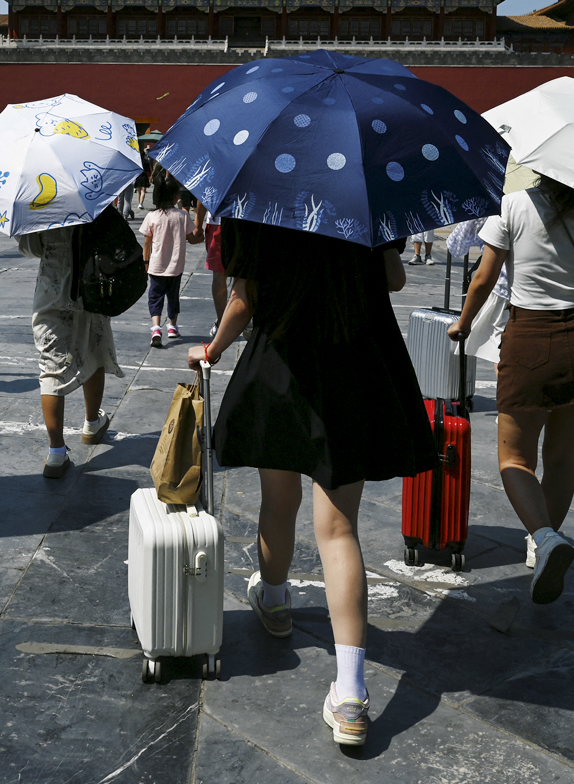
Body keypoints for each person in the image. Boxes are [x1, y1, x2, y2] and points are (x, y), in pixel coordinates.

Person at [187, 221, 433, 748]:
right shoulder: (364, 201)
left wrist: (212, 349)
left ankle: (274, 601)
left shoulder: (258, 209)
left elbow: (244, 298)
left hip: (280, 369)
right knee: (339, 529)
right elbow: (394, 280)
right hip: (353, 370)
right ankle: (350, 695)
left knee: (279, 502)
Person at [448, 175, 574, 605]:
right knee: (563, 457)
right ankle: (541, 544)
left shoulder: (513, 205)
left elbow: (484, 277)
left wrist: (464, 322)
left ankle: (544, 536)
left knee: (515, 458)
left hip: (529, 335)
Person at [16, 224, 123, 479]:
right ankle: (91, 423)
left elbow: (29, 247)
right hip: (91, 285)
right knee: (95, 349)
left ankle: (56, 452)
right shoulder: (94, 194)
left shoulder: (40, 202)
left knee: (50, 369)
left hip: (51, 289)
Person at [140, 179, 199, 347]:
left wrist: (146, 262)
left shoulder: (152, 216)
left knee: (155, 297)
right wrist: (202, 235)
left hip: (156, 265)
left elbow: (147, 242)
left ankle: (156, 328)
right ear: (175, 197)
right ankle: (172, 327)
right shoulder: (182, 215)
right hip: (175, 266)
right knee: (173, 297)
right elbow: (192, 238)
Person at [194, 200, 228, 334]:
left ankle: (222, 322)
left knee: (219, 274)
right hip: (243, 221)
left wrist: (198, 225)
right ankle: (243, 317)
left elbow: (204, 198)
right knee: (241, 276)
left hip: (218, 223)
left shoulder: (215, 177)